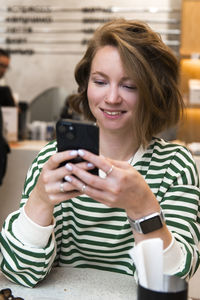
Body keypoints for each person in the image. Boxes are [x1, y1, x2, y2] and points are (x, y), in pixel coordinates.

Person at [0, 19, 200, 288]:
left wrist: (143, 207)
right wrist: (40, 200)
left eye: (129, 86)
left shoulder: (175, 165)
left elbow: (170, 281)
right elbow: (19, 272)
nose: (112, 98)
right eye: (100, 81)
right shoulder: (54, 160)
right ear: (86, 85)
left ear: (152, 92)